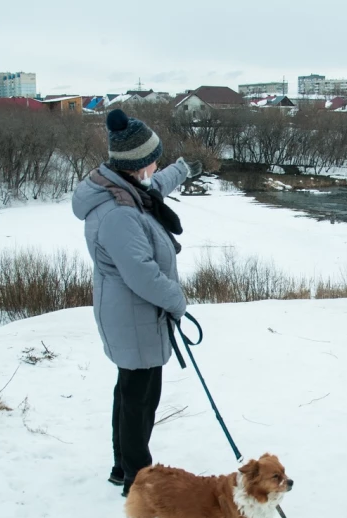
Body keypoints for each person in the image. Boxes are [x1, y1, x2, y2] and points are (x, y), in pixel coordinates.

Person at [72, 108, 203, 497]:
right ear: (139, 164)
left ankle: (122, 468)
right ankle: (136, 481)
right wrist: (177, 300)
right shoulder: (119, 214)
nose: (157, 166)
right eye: (154, 159)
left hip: (134, 316)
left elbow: (156, 186)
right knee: (139, 403)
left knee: (131, 393)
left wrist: (183, 169)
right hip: (134, 316)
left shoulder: (124, 189)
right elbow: (142, 274)